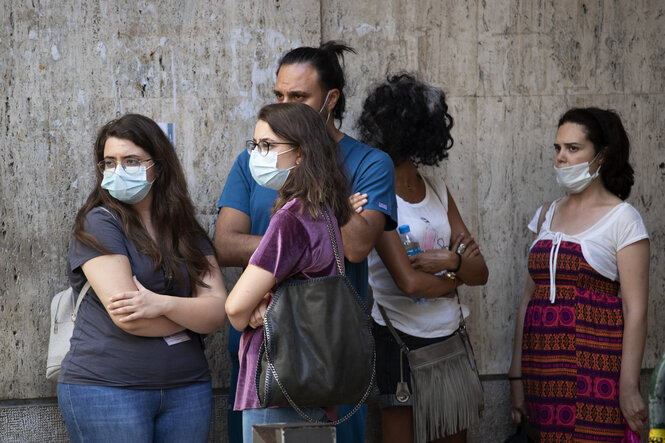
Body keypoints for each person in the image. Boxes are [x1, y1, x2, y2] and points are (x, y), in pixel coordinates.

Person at [215, 41, 397, 442]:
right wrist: (303, 238)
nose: (285, 105)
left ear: (330, 99)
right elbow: (225, 245)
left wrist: (299, 228)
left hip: (327, 349)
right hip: (259, 343)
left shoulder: (369, 162)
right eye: (279, 95)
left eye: (298, 97)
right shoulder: (257, 162)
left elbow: (355, 247)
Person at [57, 114, 227, 443]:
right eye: (109, 162)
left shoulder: (185, 229)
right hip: (107, 389)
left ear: (158, 166)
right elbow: (130, 317)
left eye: (131, 161)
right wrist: (194, 315)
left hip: (187, 389)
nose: (118, 170)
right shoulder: (100, 222)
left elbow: (218, 312)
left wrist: (159, 303)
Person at [356, 74, 488, 443]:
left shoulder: (437, 190)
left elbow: (481, 271)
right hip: (399, 340)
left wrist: (451, 262)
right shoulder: (376, 196)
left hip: (448, 338)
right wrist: (456, 273)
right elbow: (409, 282)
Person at [508, 107, 650, 441]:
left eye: (573, 149)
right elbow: (528, 298)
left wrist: (628, 387)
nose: (561, 158)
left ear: (601, 156)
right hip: (542, 369)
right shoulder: (546, 214)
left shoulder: (623, 219)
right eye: (557, 148)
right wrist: (516, 376)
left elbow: (636, 310)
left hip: (596, 371)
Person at [224, 102, 355, 442]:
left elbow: (236, 309)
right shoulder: (324, 212)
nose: (257, 155)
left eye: (268, 146)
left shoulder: (291, 218)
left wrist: (256, 309)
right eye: (254, 145)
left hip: (278, 383)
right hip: (313, 384)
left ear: (301, 154)